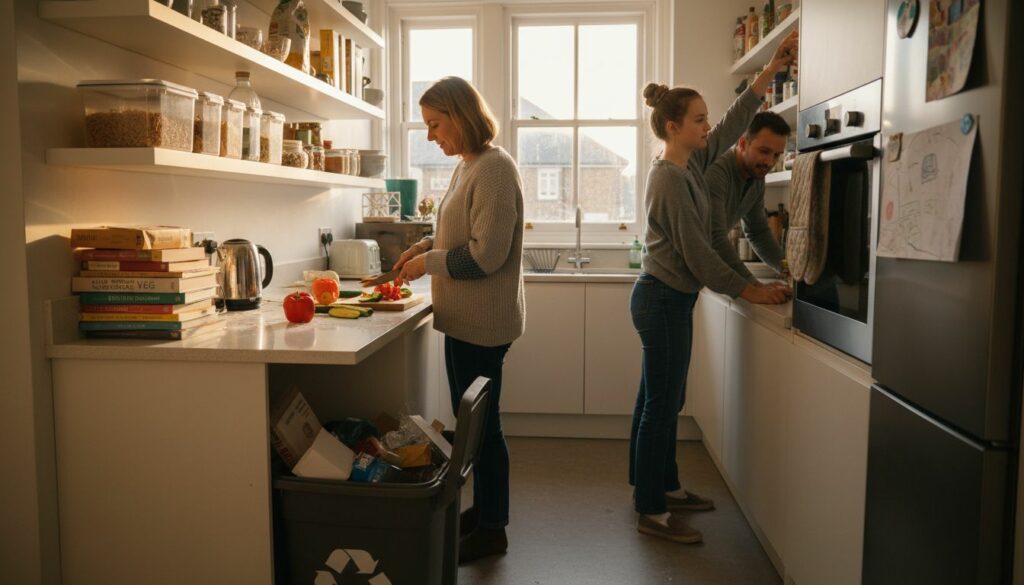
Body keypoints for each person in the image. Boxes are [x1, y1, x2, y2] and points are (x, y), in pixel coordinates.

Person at [629, 32, 797, 545]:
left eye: (706, 119)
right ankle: (651, 510)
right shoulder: (671, 179)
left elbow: (732, 123)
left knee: (660, 398)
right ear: (674, 128)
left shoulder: (693, 162)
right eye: (699, 120)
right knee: (662, 403)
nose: (709, 126)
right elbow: (700, 254)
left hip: (670, 298)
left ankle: (662, 487)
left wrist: (770, 71)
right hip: (661, 299)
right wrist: (750, 291)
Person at [393, 76, 525, 564]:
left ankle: (493, 530)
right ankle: (487, 514)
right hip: (464, 321)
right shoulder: (467, 166)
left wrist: (427, 264)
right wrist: (424, 245)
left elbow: (484, 256)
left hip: (482, 324)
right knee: (475, 429)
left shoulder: (493, 169)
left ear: (461, 116)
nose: (431, 136)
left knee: (482, 432)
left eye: (434, 124)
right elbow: (454, 230)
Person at [706, 111, 793, 284]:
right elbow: (714, 237)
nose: (769, 162)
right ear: (743, 143)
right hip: (664, 281)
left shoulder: (756, 177)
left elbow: (757, 231)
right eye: (764, 151)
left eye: (776, 155)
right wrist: (753, 287)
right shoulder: (717, 170)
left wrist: (787, 270)